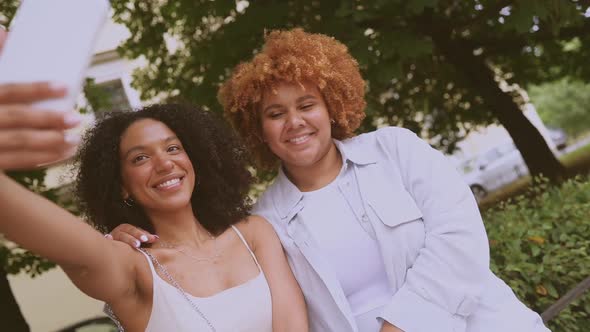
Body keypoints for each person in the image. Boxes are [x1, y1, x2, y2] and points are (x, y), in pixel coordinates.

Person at [110, 29, 551, 332]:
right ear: (257, 129)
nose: (294, 123)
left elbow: (458, 239)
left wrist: (400, 326)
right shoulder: (265, 225)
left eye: (307, 105)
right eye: (275, 114)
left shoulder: (395, 151)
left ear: (332, 105)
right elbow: (218, 285)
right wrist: (127, 254)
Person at [0, 103, 308, 331]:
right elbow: (54, 236)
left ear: (194, 160)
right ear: (121, 186)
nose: (164, 164)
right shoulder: (134, 268)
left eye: (173, 148)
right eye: (141, 158)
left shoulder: (254, 233)